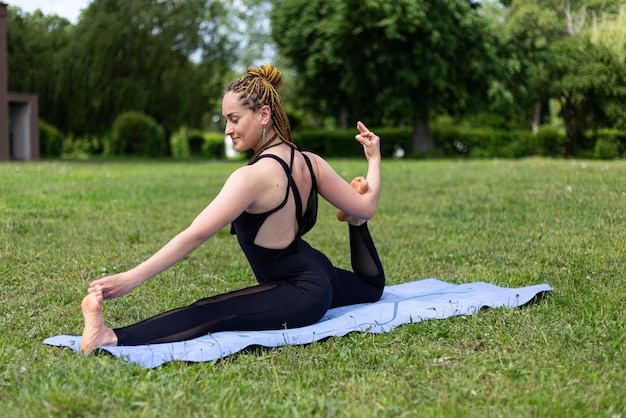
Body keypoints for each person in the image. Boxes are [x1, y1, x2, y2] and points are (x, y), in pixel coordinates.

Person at [79, 64, 385, 354]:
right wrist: (373, 159)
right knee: (371, 287)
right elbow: (368, 206)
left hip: (303, 293)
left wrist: (130, 279)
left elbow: (195, 235)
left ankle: (109, 337)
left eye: (234, 119)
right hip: (317, 270)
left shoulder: (250, 178)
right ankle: (353, 223)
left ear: (264, 114)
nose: (227, 129)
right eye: (225, 120)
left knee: (213, 311)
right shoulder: (310, 161)